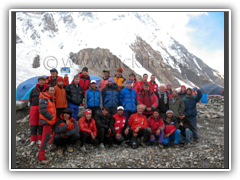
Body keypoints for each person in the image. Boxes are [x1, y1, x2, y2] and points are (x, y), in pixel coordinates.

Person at [38, 86, 57, 164]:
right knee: (45, 138)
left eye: (53, 90)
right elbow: (43, 110)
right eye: (51, 90)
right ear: (47, 91)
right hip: (47, 122)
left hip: (51, 121)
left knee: (56, 130)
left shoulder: (50, 98)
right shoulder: (44, 99)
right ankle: (41, 157)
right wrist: (51, 117)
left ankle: (50, 144)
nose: (52, 92)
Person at [28, 76, 49, 146]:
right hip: (34, 107)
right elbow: (30, 98)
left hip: (43, 107)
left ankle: (39, 139)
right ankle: (33, 139)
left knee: (41, 124)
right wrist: (33, 105)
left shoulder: (47, 89)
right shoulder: (33, 90)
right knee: (33, 124)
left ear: (45, 81)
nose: (42, 82)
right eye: (40, 80)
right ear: (38, 81)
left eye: (43, 80)